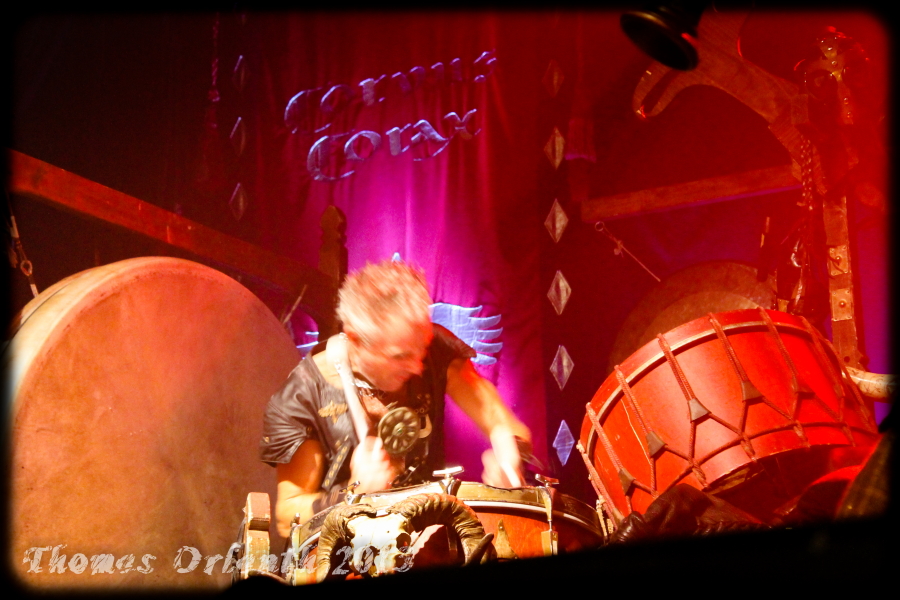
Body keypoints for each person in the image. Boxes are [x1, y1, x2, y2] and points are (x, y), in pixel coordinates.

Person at [260, 260, 532, 537]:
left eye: (421, 349)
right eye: (400, 356)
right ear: (355, 340)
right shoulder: (304, 395)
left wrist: (511, 454)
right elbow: (286, 517)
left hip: (427, 538)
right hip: (346, 550)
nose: (417, 367)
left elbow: (504, 425)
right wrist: (353, 494)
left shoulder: (435, 351)